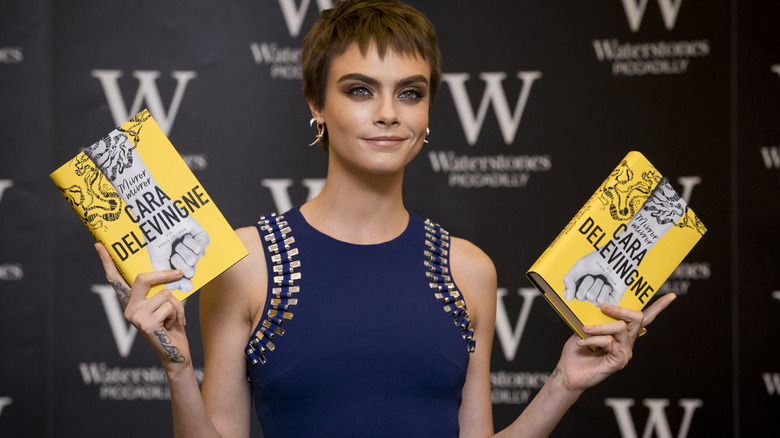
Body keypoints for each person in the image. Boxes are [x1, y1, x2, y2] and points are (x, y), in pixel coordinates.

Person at [94, 1, 676, 436]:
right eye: (359, 89)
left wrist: (564, 385)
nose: (387, 114)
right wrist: (177, 369)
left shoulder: (469, 269)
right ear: (316, 104)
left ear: (428, 112)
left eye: (410, 93)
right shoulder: (245, 264)